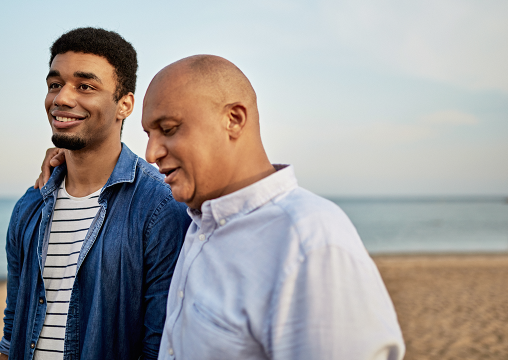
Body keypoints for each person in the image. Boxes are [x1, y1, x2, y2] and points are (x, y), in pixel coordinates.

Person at [39, 55, 406, 359]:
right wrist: (70, 160)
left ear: (234, 119)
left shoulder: (308, 242)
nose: (152, 153)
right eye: (149, 135)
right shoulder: (196, 224)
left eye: (168, 128)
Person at [0, 27, 190, 360]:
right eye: (55, 85)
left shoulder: (159, 207)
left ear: (124, 105)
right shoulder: (29, 207)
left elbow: (159, 343)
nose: (62, 99)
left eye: (85, 86)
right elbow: (13, 328)